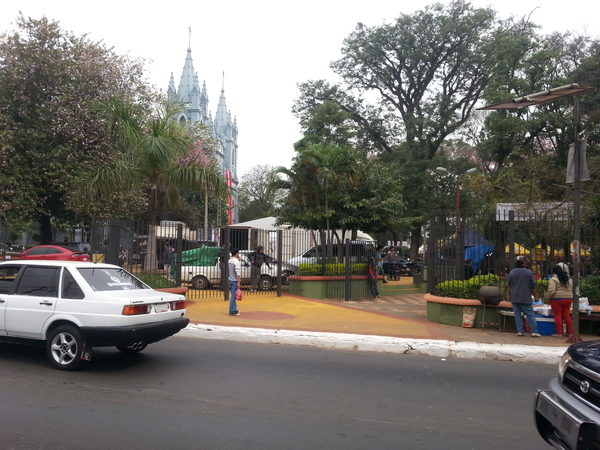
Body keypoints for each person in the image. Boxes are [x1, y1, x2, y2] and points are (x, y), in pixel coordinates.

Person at [507, 256, 541, 337]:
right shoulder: (528, 272)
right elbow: (533, 287)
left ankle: (520, 331)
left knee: (517, 315)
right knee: (530, 314)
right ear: (523, 263)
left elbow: (509, 286)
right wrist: (535, 297)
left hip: (515, 298)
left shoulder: (512, 272)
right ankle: (534, 331)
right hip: (525, 298)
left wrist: (509, 296)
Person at [545, 264, 573, 337]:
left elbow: (551, 291)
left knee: (558, 316)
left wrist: (548, 299)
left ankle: (559, 333)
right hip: (568, 299)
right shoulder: (569, 279)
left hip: (557, 299)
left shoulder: (553, 279)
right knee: (567, 316)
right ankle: (569, 333)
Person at [228, 248, 241, 316]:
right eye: (238, 253)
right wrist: (238, 282)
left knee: (233, 295)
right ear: (236, 254)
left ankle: (234, 309)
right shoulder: (236, 261)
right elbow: (238, 273)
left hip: (230, 279)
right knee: (233, 296)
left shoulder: (230, 260)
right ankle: (232, 310)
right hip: (234, 280)